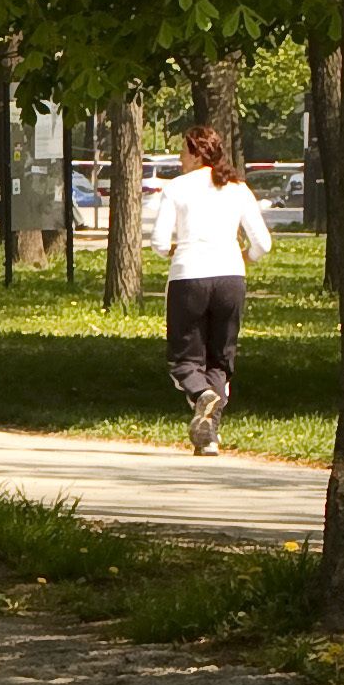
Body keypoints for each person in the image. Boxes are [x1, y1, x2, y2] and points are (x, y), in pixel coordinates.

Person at [147, 122, 272, 453]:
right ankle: (209, 436)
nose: (178, 156)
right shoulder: (238, 189)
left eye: (181, 149)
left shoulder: (177, 188)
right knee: (220, 359)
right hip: (231, 276)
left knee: (185, 357)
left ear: (193, 152)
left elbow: (159, 242)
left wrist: (175, 250)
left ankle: (201, 395)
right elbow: (263, 243)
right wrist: (243, 255)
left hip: (190, 276)